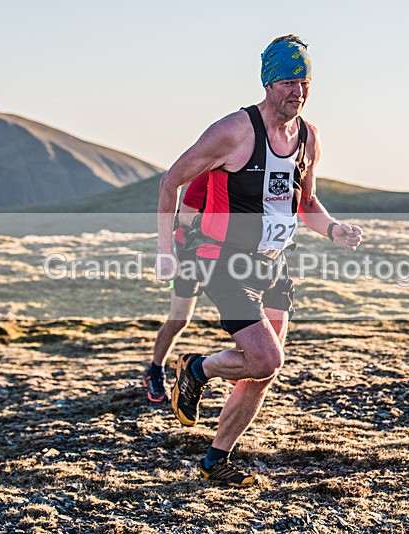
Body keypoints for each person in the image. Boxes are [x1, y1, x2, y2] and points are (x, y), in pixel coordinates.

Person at [156, 34, 362, 486]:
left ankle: (216, 460)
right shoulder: (234, 131)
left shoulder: (308, 136)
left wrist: (333, 229)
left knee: (260, 372)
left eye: (305, 82)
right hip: (224, 260)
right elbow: (172, 180)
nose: (298, 92)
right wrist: (166, 249)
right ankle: (197, 368)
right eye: (289, 81)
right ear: (268, 83)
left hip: (274, 263)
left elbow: (305, 201)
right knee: (267, 358)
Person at [143, 172, 209, 403]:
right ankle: (155, 370)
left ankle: (241, 368)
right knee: (179, 319)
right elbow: (185, 218)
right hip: (190, 252)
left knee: (240, 311)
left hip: (225, 255)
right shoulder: (206, 176)